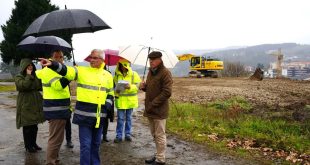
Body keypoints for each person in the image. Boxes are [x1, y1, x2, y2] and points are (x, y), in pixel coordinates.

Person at [39, 49, 114, 165]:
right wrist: (53, 64)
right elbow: (67, 71)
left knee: (96, 145)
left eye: (95, 58)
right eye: (91, 58)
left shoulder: (108, 76)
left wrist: (107, 106)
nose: (92, 60)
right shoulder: (82, 71)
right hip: (84, 117)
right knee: (85, 145)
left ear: (102, 60)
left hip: (100, 117)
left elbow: (110, 93)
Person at [36, 50, 72, 165]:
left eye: (61, 57)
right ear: (50, 58)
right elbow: (58, 86)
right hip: (56, 109)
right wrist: (69, 76)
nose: (60, 59)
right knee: (55, 139)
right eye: (56, 57)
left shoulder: (54, 70)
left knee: (57, 138)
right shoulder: (50, 70)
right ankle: (51, 162)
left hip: (58, 108)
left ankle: (54, 160)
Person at [139, 51, 173, 165]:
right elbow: (150, 88)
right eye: (150, 60)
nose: (151, 62)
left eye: (153, 60)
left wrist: (153, 103)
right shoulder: (150, 72)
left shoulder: (165, 73)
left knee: (160, 135)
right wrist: (144, 87)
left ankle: (160, 159)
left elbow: (167, 92)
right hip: (150, 109)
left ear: (159, 60)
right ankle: (158, 153)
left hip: (159, 110)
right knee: (154, 134)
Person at [15, 58, 45, 153]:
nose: (30, 67)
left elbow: (39, 86)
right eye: (28, 66)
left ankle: (33, 143)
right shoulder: (19, 76)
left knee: (34, 125)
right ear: (24, 67)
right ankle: (28, 146)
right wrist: (28, 76)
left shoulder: (35, 75)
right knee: (27, 126)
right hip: (26, 103)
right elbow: (23, 86)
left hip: (35, 102)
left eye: (31, 65)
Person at [113, 59, 141, 143]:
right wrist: (116, 91)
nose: (122, 67)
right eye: (121, 65)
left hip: (130, 101)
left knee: (128, 118)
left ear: (127, 66)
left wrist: (130, 87)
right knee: (120, 119)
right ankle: (119, 136)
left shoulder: (134, 74)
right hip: (120, 101)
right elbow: (114, 87)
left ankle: (128, 134)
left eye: (124, 65)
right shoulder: (116, 76)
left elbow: (137, 87)